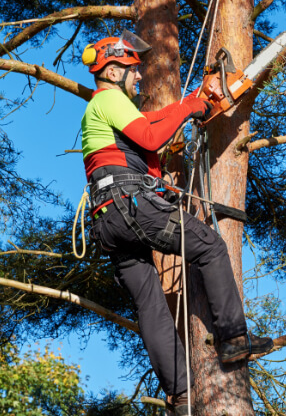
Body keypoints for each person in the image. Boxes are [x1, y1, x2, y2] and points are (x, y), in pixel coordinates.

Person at [80, 30, 273, 415]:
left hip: (108, 221)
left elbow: (148, 129)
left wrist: (194, 106)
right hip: (128, 206)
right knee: (210, 247)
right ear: (114, 71)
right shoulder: (109, 100)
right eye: (133, 71)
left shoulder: (107, 114)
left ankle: (182, 395)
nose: (139, 78)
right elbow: (151, 136)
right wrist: (189, 105)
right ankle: (233, 338)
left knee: (150, 304)